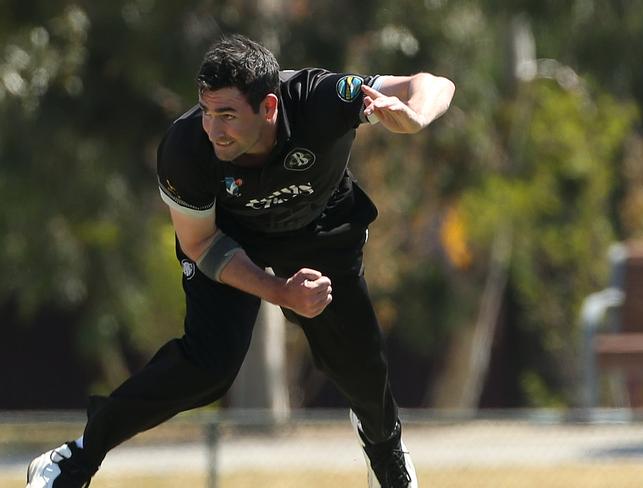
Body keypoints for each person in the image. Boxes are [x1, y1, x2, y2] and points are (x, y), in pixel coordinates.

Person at [26, 34, 455, 488]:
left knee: (360, 364)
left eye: (227, 115)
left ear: (269, 107)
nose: (214, 129)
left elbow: (432, 83)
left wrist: (416, 117)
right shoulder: (186, 150)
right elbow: (201, 245)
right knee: (208, 367)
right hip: (229, 238)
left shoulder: (320, 98)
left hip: (318, 225)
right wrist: (279, 291)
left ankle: (385, 451)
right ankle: (74, 458)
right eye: (207, 112)